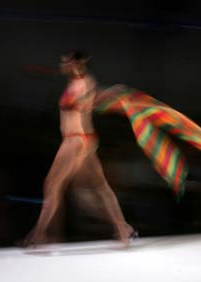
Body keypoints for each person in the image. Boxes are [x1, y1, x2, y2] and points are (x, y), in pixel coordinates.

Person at [25, 50, 135, 247]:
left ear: (77, 63)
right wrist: (106, 94)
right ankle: (122, 229)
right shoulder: (78, 82)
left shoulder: (84, 82)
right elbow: (91, 99)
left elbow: (87, 101)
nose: (62, 63)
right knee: (99, 186)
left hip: (75, 140)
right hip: (83, 140)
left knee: (52, 184)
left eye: (65, 60)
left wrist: (105, 95)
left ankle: (39, 234)